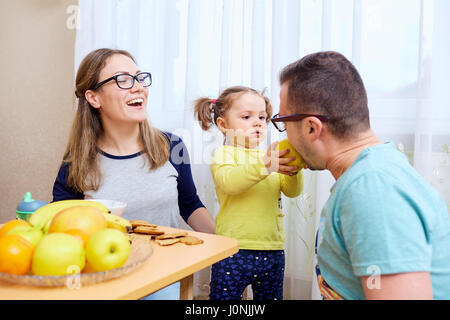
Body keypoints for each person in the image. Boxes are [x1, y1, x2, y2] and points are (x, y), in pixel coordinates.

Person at [272, 51, 450, 300]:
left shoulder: (373, 190)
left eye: (284, 123)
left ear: (312, 127)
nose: (284, 135)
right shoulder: (372, 175)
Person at [52, 48, 215, 299]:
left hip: (165, 282)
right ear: (94, 98)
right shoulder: (77, 163)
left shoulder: (172, 147)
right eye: (123, 80)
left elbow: (190, 205)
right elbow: (61, 226)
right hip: (103, 285)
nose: (138, 87)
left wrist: (230, 244)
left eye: (139, 78)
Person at [194, 86, 305, 300]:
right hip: (233, 249)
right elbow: (230, 182)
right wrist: (265, 166)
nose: (258, 123)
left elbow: (293, 192)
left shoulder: (269, 157)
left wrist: (294, 169)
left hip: (272, 249)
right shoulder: (224, 154)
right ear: (223, 125)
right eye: (247, 116)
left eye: (262, 117)